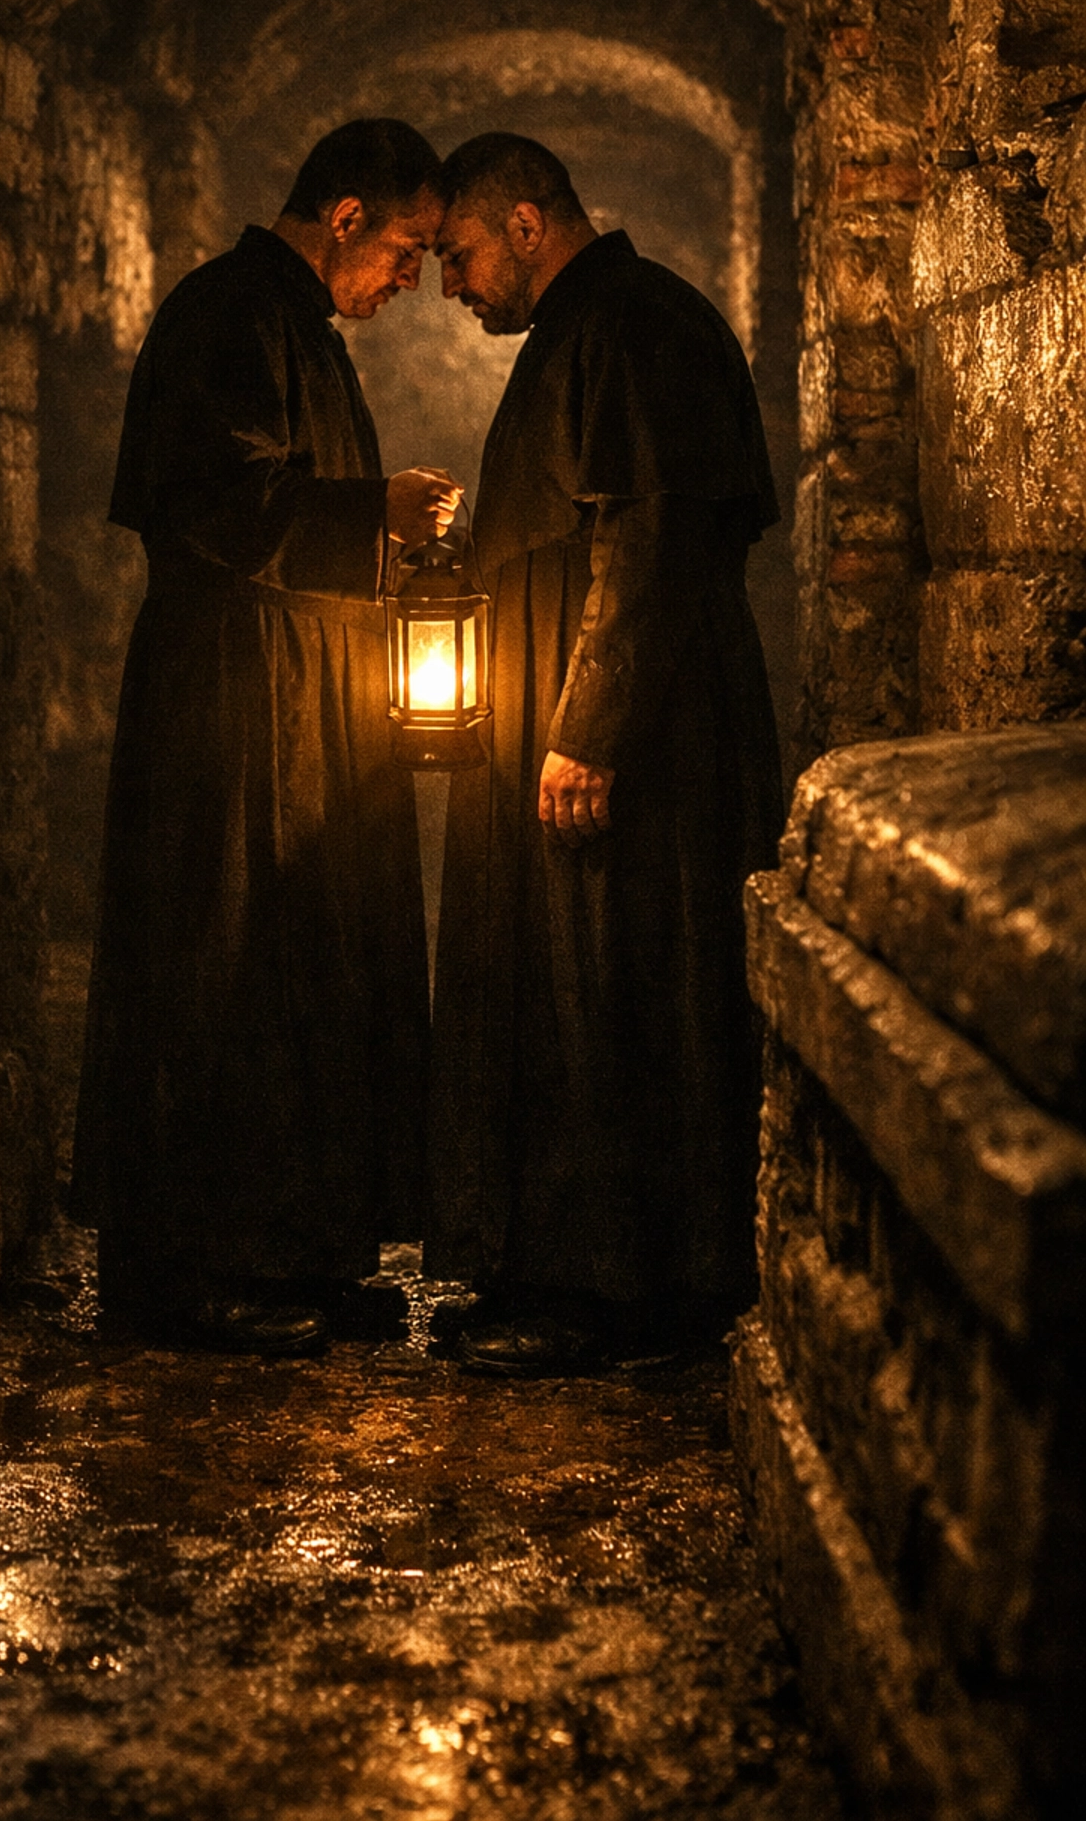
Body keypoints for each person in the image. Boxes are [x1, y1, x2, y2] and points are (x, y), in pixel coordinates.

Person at [71, 119, 462, 1355]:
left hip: (305, 695)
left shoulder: (300, 329)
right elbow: (215, 502)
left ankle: (303, 1247)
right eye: (406, 248)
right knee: (222, 959)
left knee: (311, 961)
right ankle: (198, 1265)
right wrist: (373, 511)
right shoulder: (224, 315)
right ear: (344, 217)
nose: (413, 279)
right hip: (231, 700)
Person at [427, 133, 782, 1374]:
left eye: (460, 254)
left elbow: (648, 532)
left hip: (639, 739)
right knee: (577, 983)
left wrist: (588, 728)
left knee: (615, 987)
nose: (450, 285)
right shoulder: (598, 327)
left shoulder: (631, 325)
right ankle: (564, 1271)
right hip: (594, 715)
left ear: (527, 224)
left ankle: (612, 1290)